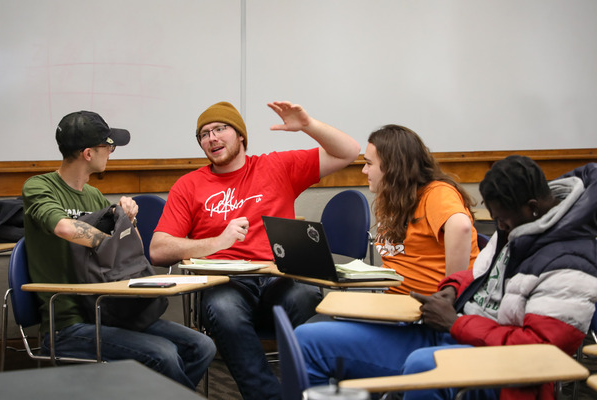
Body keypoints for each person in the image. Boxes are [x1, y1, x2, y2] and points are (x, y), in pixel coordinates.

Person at [295, 155, 597, 400]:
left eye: (501, 218)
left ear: (532, 209)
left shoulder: (571, 263)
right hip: (457, 332)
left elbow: (543, 351)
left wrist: (456, 323)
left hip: (503, 367)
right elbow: (479, 275)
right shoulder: (519, 226)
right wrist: (452, 289)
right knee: (307, 340)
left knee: (422, 365)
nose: (498, 226)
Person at [149, 100, 361, 399]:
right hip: (227, 285)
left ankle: (313, 391)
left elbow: (349, 151)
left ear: (241, 136)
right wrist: (217, 242)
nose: (212, 138)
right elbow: (158, 250)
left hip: (280, 278)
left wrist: (307, 125)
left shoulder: (277, 167)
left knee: (305, 294)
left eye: (220, 129)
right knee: (222, 308)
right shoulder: (189, 185)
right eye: (204, 134)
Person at [22, 111, 216, 390]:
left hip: (108, 312)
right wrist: (111, 239)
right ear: (88, 153)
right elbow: (64, 228)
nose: (111, 153)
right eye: (108, 147)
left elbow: (130, 248)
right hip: (67, 325)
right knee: (164, 355)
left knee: (202, 346)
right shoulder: (39, 186)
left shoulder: (94, 195)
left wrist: (128, 219)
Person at [363, 125, 479, 295]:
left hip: (422, 308)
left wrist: (450, 294)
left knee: (321, 321)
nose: (364, 170)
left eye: (368, 163)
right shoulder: (392, 196)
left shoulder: (436, 193)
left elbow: (461, 227)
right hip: (391, 300)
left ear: (392, 167)